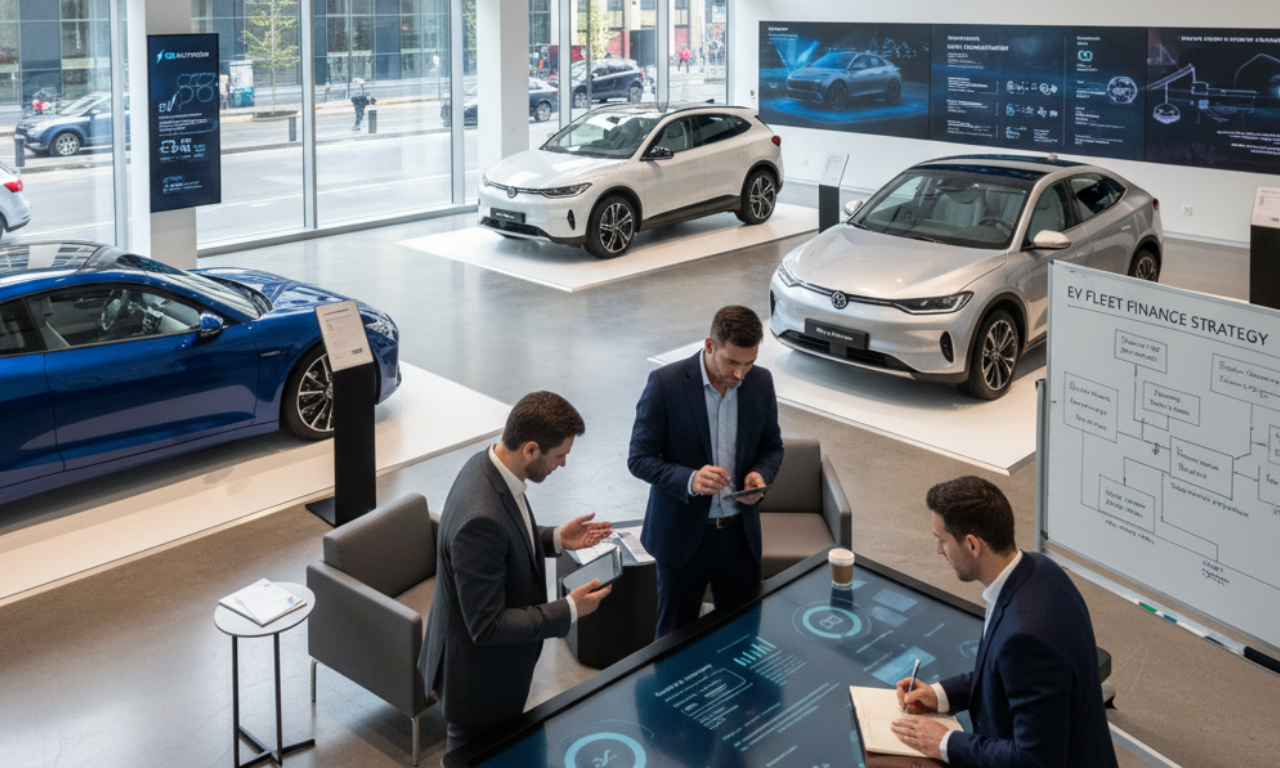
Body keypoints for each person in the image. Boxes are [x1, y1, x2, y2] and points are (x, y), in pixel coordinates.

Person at [418, 391, 614, 759]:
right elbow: (487, 625)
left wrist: (556, 538)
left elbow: (508, 537)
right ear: (530, 449)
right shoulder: (481, 518)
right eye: (560, 455)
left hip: (485, 671)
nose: (564, 464)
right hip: (479, 685)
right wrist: (569, 609)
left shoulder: (488, 465)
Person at [890, 476, 1119, 768]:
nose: (938, 551)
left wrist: (944, 742)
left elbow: (1035, 761)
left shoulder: (1026, 638)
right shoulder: (1041, 570)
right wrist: (940, 694)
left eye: (942, 540)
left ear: (972, 545)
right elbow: (1005, 676)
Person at [628, 306, 784, 639]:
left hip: (739, 537)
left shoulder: (760, 383)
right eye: (732, 362)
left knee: (743, 635)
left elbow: (772, 448)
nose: (740, 374)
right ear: (709, 345)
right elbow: (639, 458)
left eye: (749, 363)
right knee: (674, 639)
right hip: (682, 539)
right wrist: (690, 479)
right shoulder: (665, 384)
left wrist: (759, 474)